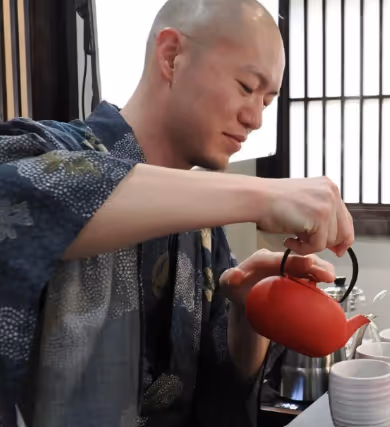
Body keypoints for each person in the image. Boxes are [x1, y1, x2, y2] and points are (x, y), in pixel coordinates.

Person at [0, 0, 354, 425]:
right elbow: (23, 200)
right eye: (246, 86)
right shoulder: (51, 151)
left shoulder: (200, 228)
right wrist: (263, 194)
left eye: (268, 99)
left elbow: (219, 392)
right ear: (172, 57)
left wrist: (247, 312)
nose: (257, 118)